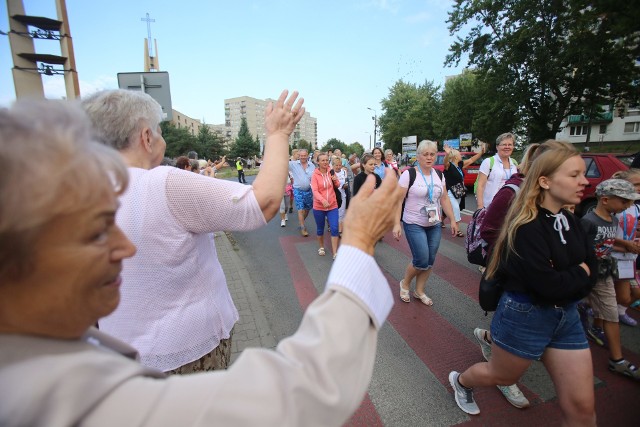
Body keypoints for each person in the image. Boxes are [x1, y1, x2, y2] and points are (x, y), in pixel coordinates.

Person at [0, 99, 409, 427]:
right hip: (187, 354)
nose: (125, 249)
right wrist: (356, 245)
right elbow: (298, 396)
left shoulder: (42, 356)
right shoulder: (67, 398)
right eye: (94, 232)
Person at [81, 88, 304, 373]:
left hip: (115, 355)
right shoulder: (163, 184)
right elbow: (263, 204)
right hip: (186, 353)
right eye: (159, 131)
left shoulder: (76, 192)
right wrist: (278, 135)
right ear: (146, 137)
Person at [449, 142, 597, 424]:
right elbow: (550, 283)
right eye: (574, 174)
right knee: (501, 374)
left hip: (567, 316)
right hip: (525, 313)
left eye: (583, 173)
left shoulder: (571, 221)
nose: (585, 181)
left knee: (582, 407)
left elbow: (593, 271)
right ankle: (462, 382)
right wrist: (578, 272)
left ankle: (491, 338)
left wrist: (573, 275)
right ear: (545, 180)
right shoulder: (524, 225)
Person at [473, 141, 566, 410]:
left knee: (526, 322)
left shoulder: (550, 194)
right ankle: (503, 375)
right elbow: (489, 230)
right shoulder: (513, 190)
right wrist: (522, 255)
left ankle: (490, 339)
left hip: (542, 273)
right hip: (514, 270)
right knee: (516, 317)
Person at [581, 179, 640, 379]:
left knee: (611, 312)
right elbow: (581, 248)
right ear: (605, 200)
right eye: (624, 201)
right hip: (586, 274)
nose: (628, 206)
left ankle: (617, 360)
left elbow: (607, 242)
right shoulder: (588, 221)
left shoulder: (614, 221)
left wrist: (624, 245)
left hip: (604, 275)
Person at [393, 140, 459, 306]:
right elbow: (398, 201)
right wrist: (396, 224)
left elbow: (443, 198)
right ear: (418, 156)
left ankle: (419, 290)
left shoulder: (440, 175)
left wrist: (452, 220)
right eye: (425, 154)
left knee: (430, 260)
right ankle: (405, 283)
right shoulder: (409, 174)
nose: (429, 158)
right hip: (413, 222)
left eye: (432, 154)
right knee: (421, 259)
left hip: (434, 223)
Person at [611, 169, 640, 326]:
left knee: (635, 293)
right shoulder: (615, 208)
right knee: (622, 296)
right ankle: (595, 310)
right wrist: (626, 245)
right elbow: (605, 235)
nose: (639, 188)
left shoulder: (636, 208)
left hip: (630, 259)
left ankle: (618, 312)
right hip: (615, 257)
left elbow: (634, 230)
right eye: (636, 184)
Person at [443, 143, 486, 236]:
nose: (461, 155)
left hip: (458, 191)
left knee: (450, 209)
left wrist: (481, 153)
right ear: (454, 156)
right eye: (459, 154)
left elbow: (471, 160)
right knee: (455, 208)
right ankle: (457, 229)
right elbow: (445, 161)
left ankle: (441, 220)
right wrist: (448, 153)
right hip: (449, 191)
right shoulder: (449, 166)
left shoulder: (459, 165)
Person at [475, 132, 519, 209]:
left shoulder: (514, 163)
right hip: (491, 206)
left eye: (510, 145)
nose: (507, 147)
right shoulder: (488, 162)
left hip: (511, 206)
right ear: (497, 147)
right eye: (504, 144)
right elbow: (480, 186)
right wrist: (480, 206)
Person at [311, 153, 341, 259]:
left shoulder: (331, 171)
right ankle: (321, 247)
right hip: (319, 206)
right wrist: (322, 200)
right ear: (318, 162)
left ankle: (335, 252)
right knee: (320, 229)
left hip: (332, 205)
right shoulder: (315, 175)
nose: (325, 162)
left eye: (326, 160)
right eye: (322, 160)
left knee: (334, 227)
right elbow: (314, 190)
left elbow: (337, 185)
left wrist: (335, 180)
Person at [289, 148, 315, 236]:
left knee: (307, 209)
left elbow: (314, 178)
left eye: (304, 155)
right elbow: (282, 163)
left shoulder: (312, 165)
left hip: (308, 190)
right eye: (301, 156)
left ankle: (301, 222)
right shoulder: (293, 164)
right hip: (298, 190)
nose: (303, 157)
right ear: (298, 156)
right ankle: (303, 227)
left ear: (307, 156)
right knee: (300, 209)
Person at [332, 156, 348, 236]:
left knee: (342, 212)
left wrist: (345, 185)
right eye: (336, 165)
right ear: (333, 165)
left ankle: (340, 230)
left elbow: (345, 181)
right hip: (333, 195)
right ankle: (333, 226)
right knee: (334, 212)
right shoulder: (330, 172)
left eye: (339, 165)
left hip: (342, 194)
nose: (338, 167)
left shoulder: (344, 172)